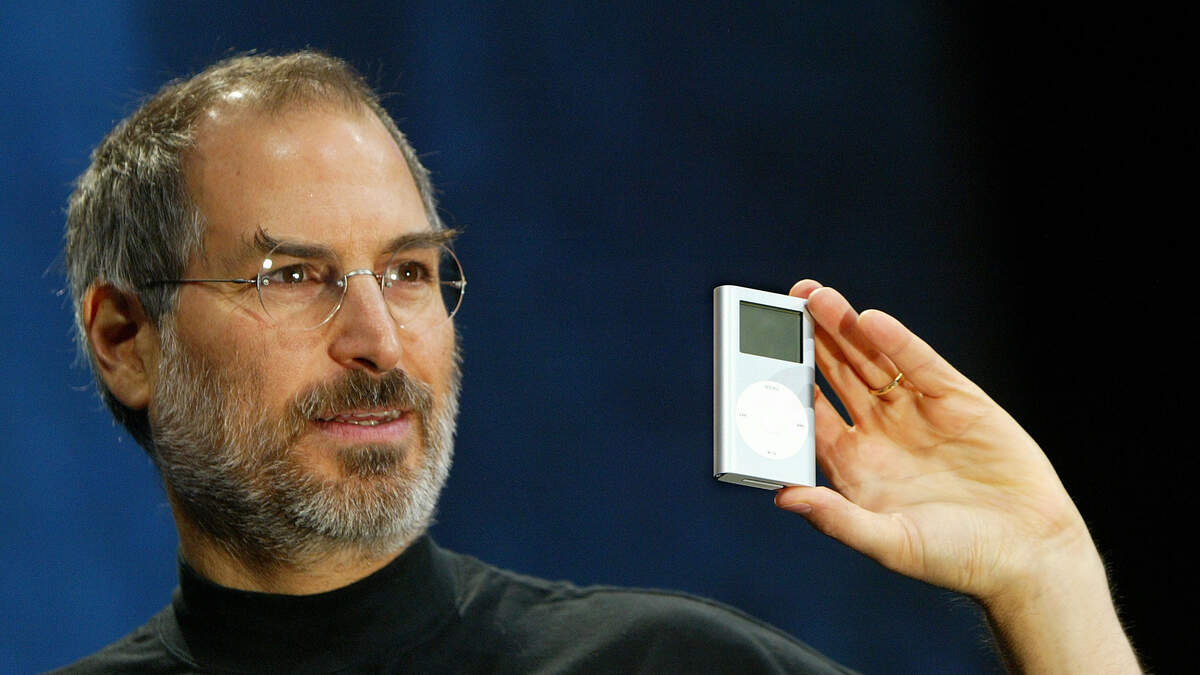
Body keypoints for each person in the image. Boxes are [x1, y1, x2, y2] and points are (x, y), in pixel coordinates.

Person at [55, 50, 1140, 673]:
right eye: (293, 275)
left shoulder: (670, 664)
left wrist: (1046, 579)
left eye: (411, 271)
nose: (379, 341)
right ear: (124, 340)